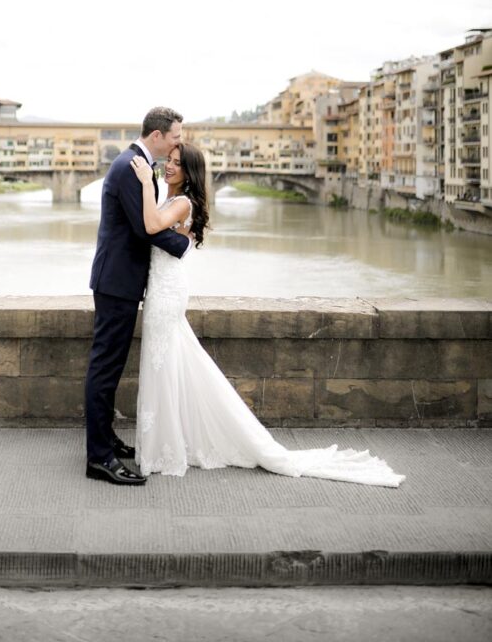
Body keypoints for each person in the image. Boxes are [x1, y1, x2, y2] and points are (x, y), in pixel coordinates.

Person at [130, 142, 406, 488]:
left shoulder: (183, 202)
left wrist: (146, 182)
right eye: (168, 161)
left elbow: (152, 225)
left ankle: (164, 449)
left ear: (189, 172)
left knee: (164, 362)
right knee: (169, 363)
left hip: (167, 292)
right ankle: (164, 444)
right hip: (160, 288)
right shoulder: (170, 197)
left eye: (176, 163)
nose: (169, 166)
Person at [85, 106, 191, 486]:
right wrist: (183, 243)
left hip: (121, 281)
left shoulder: (139, 165)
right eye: (176, 136)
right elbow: (146, 228)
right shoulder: (131, 166)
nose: (179, 142)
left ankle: (106, 440)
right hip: (117, 283)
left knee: (110, 369)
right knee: (105, 369)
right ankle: (99, 458)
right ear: (158, 135)